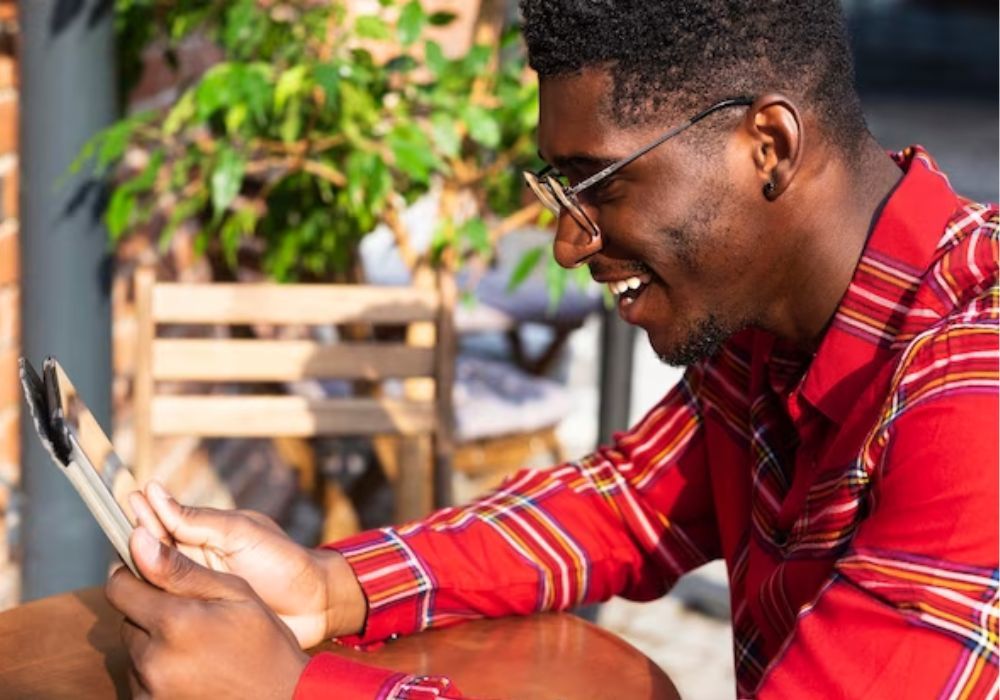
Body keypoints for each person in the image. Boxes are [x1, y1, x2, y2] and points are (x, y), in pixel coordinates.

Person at [105, 1, 1000, 698]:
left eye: (596, 185)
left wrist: (298, 691)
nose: (570, 244)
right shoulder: (771, 318)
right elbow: (621, 506)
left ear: (766, 144)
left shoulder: (976, 393)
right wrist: (329, 586)